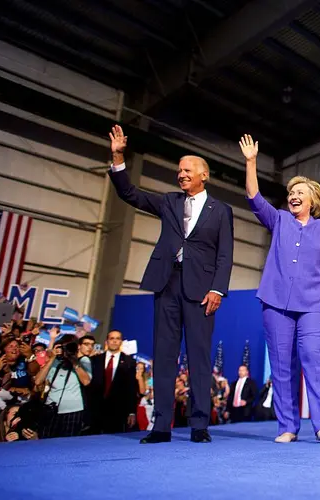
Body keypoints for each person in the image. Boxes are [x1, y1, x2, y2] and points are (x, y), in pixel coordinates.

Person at [107, 125, 234, 444]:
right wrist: (118, 156)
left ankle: (200, 424)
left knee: (200, 357)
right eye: (179, 170)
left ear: (204, 175)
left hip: (202, 291)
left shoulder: (222, 211)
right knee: (164, 355)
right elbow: (129, 193)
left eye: (187, 170)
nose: (181, 174)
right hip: (167, 283)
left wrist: (218, 289)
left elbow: (225, 254)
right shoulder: (169, 202)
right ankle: (161, 425)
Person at [240, 134, 320, 443]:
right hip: (276, 302)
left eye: (300, 192)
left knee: (312, 357)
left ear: (313, 201)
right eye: (291, 192)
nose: (293, 195)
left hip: (313, 302)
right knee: (282, 365)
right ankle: (287, 427)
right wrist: (251, 162)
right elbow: (254, 197)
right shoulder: (279, 219)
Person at [90, 331, 139, 434]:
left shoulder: (129, 362)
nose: (114, 341)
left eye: (117, 338)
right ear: (107, 341)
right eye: (112, 338)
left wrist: (131, 412)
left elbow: (131, 388)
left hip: (118, 411)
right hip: (95, 409)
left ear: (121, 341)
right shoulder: (95, 360)